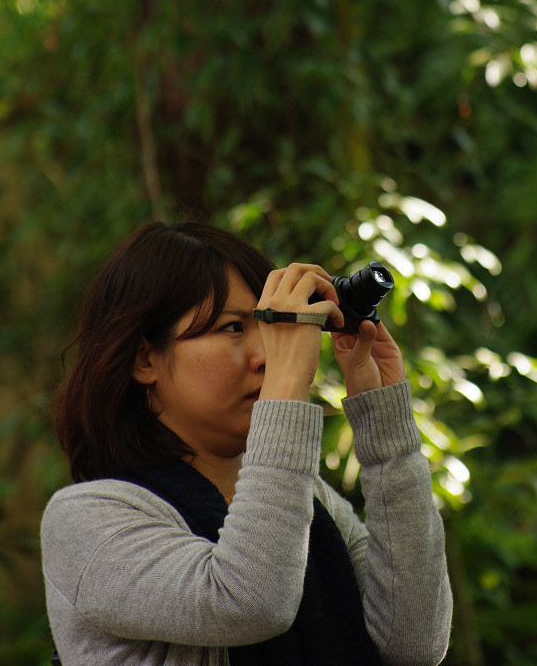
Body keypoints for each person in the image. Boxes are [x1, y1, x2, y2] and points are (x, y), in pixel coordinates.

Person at [41, 220, 453, 666]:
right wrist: (287, 381)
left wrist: (386, 425)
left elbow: (413, 644)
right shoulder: (85, 520)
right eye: (233, 328)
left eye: (268, 330)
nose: (265, 356)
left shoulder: (310, 501)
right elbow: (251, 602)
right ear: (145, 359)